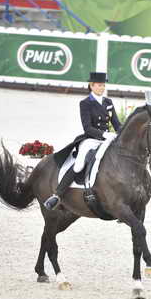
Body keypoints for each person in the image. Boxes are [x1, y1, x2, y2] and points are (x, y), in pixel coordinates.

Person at [44, 72, 121, 211]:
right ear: (91, 86)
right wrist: (105, 134)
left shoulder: (108, 102)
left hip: (107, 140)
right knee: (79, 165)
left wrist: (122, 134)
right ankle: (57, 195)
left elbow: (116, 123)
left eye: (103, 85)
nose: (102, 88)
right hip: (91, 139)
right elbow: (87, 128)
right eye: (99, 85)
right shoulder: (85, 103)